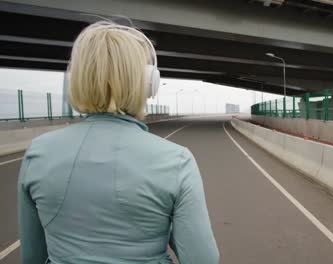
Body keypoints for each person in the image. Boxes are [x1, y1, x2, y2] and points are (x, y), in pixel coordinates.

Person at [17, 21, 219, 264]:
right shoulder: (177, 160)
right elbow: (202, 259)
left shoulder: (37, 153)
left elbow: (31, 257)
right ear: (148, 83)